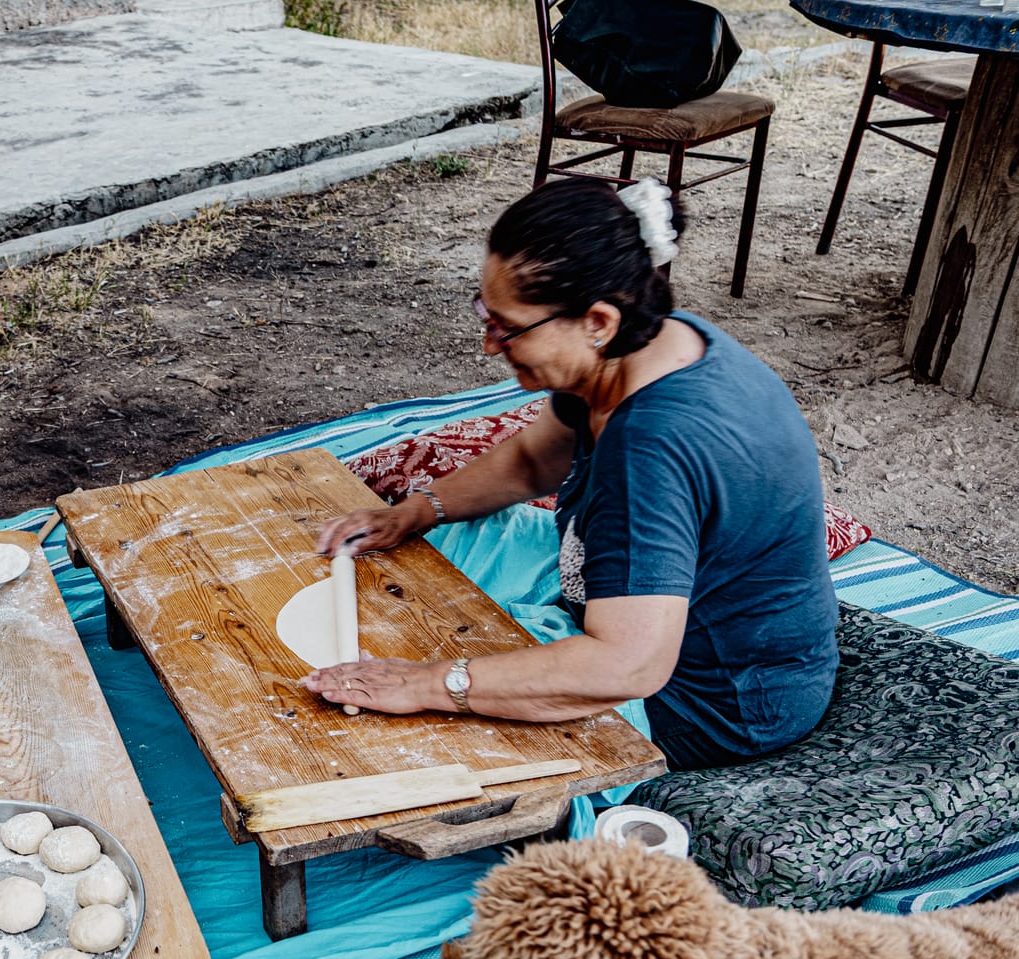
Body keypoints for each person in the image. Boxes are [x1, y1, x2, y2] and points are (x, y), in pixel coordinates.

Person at [308, 177, 838, 771]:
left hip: (716, 705)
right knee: (452, 544)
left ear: (598, 321)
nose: (490, 346)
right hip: (670, 629)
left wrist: (432, 684)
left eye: (507, 327)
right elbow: (536, 459)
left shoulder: (648, 449)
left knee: (422, 745)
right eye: (486, 314)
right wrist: (413, 511)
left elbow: (629, 667)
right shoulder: (657, 341)